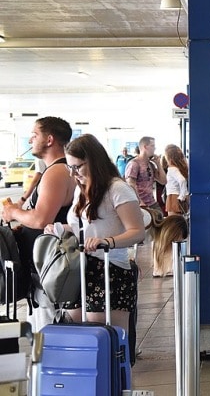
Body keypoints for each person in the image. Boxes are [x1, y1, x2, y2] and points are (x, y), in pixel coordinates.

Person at [53, 134, 145, 333]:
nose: (73, 173)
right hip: (82, 268)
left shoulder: (118, 189)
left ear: (93, 162)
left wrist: (106, 242)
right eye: (69, 167)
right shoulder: (82, 189)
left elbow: (137, 232)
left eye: (77, 167)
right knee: (75, 327)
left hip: (111, 268)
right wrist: (60, 228)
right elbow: (88, 227)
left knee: (108, 335)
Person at [0, 117, 76, 331]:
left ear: (49, 139)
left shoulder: (56, 172)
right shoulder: (60, 169)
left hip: (49, 268)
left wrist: (14, 211)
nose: (30, 141)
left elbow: (42, 219)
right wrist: (23, 227)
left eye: (34, 135)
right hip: (50, 267)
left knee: (47, 335)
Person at [125, 136, 166, 212]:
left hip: (152, 203)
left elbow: (163, 181)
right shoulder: (134, 164)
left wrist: (158, 164)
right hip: (140, 204)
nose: (155, 148)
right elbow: (130, 184)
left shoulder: (151, 164)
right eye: (152, 146)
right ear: (145, 147)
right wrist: (140, 202)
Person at [164, 145, 189, 216]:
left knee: (174, 223)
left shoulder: (172, 169)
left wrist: (182, 196)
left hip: (174, 196)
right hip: (180, 195)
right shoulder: (181, 167)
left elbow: (182, 180)